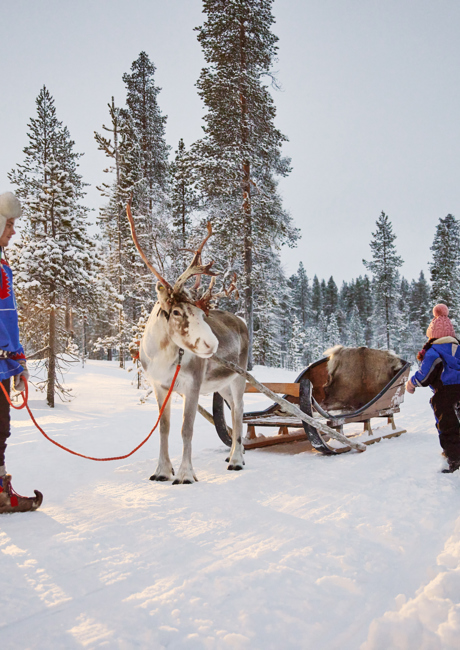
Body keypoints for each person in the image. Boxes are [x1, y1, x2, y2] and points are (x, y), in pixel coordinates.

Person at [0, 192, 42, 513]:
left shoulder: (3, 266)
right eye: (9, 225)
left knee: (2, 427)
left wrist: (18, 360)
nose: (13, 231)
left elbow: (7, 319)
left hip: (4, 363)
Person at [406, 303, 460, 473]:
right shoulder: (458, 348)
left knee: (447, 426)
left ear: (432, 335)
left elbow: (424, 375)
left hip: (445, 394)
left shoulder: (433, 351)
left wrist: (411, 383)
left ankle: (454, 459)